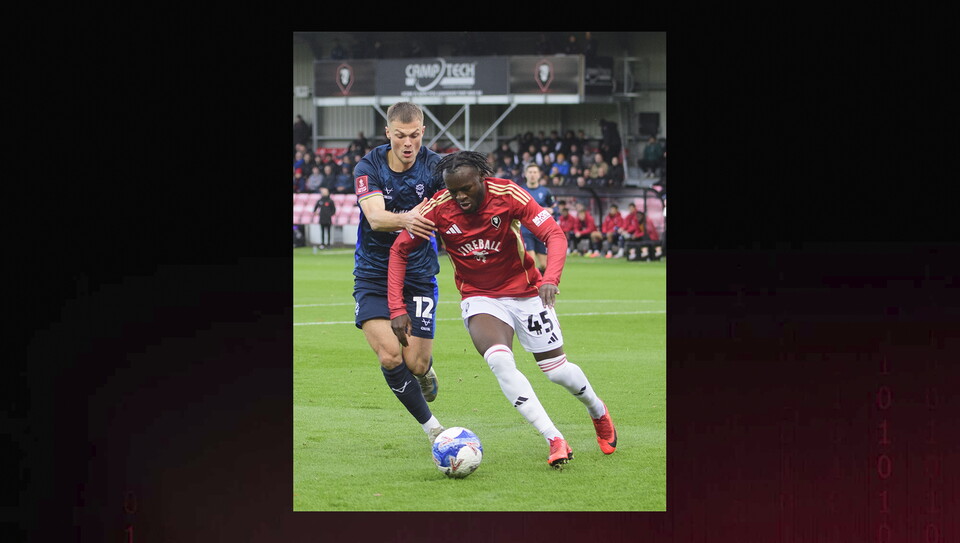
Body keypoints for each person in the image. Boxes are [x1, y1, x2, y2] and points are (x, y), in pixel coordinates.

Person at [388, 151, 617, 468]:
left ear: (481, 179)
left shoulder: (507, 194)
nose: (460, 197)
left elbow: (554, 234)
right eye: (453, 191)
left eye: (466, 189)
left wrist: (551, 278)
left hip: (527, 294)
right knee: (499, 361)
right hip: (480, 298)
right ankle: (553, 438)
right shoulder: (439, 208)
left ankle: (597, 410)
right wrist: (396, 305)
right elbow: (400, 249)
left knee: (556, 372)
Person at [352, 101, 445, 445]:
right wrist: (410, 217)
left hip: (419, 273)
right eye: (401, 136)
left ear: (423, 132)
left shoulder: (435, 167)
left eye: (415, 136)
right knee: (391, 355)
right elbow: (376, 218)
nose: (408, 144)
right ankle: (433, 429)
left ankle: (425, 366)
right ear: (388, 133)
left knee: (416, 364)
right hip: (374, 274)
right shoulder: (368, 166)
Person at [519, 162, 556, 274]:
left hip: (541, 231)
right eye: (530, 172)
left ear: (539, 175)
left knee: (544, 265)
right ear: (525, 174)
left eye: (535, 172)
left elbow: (555, 208)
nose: (532, 175)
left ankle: (541, 284)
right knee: (531, 263)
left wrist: (551, 210)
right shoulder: (521, 191)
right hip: (526, 230)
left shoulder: (545, 192)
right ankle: (532, 288)